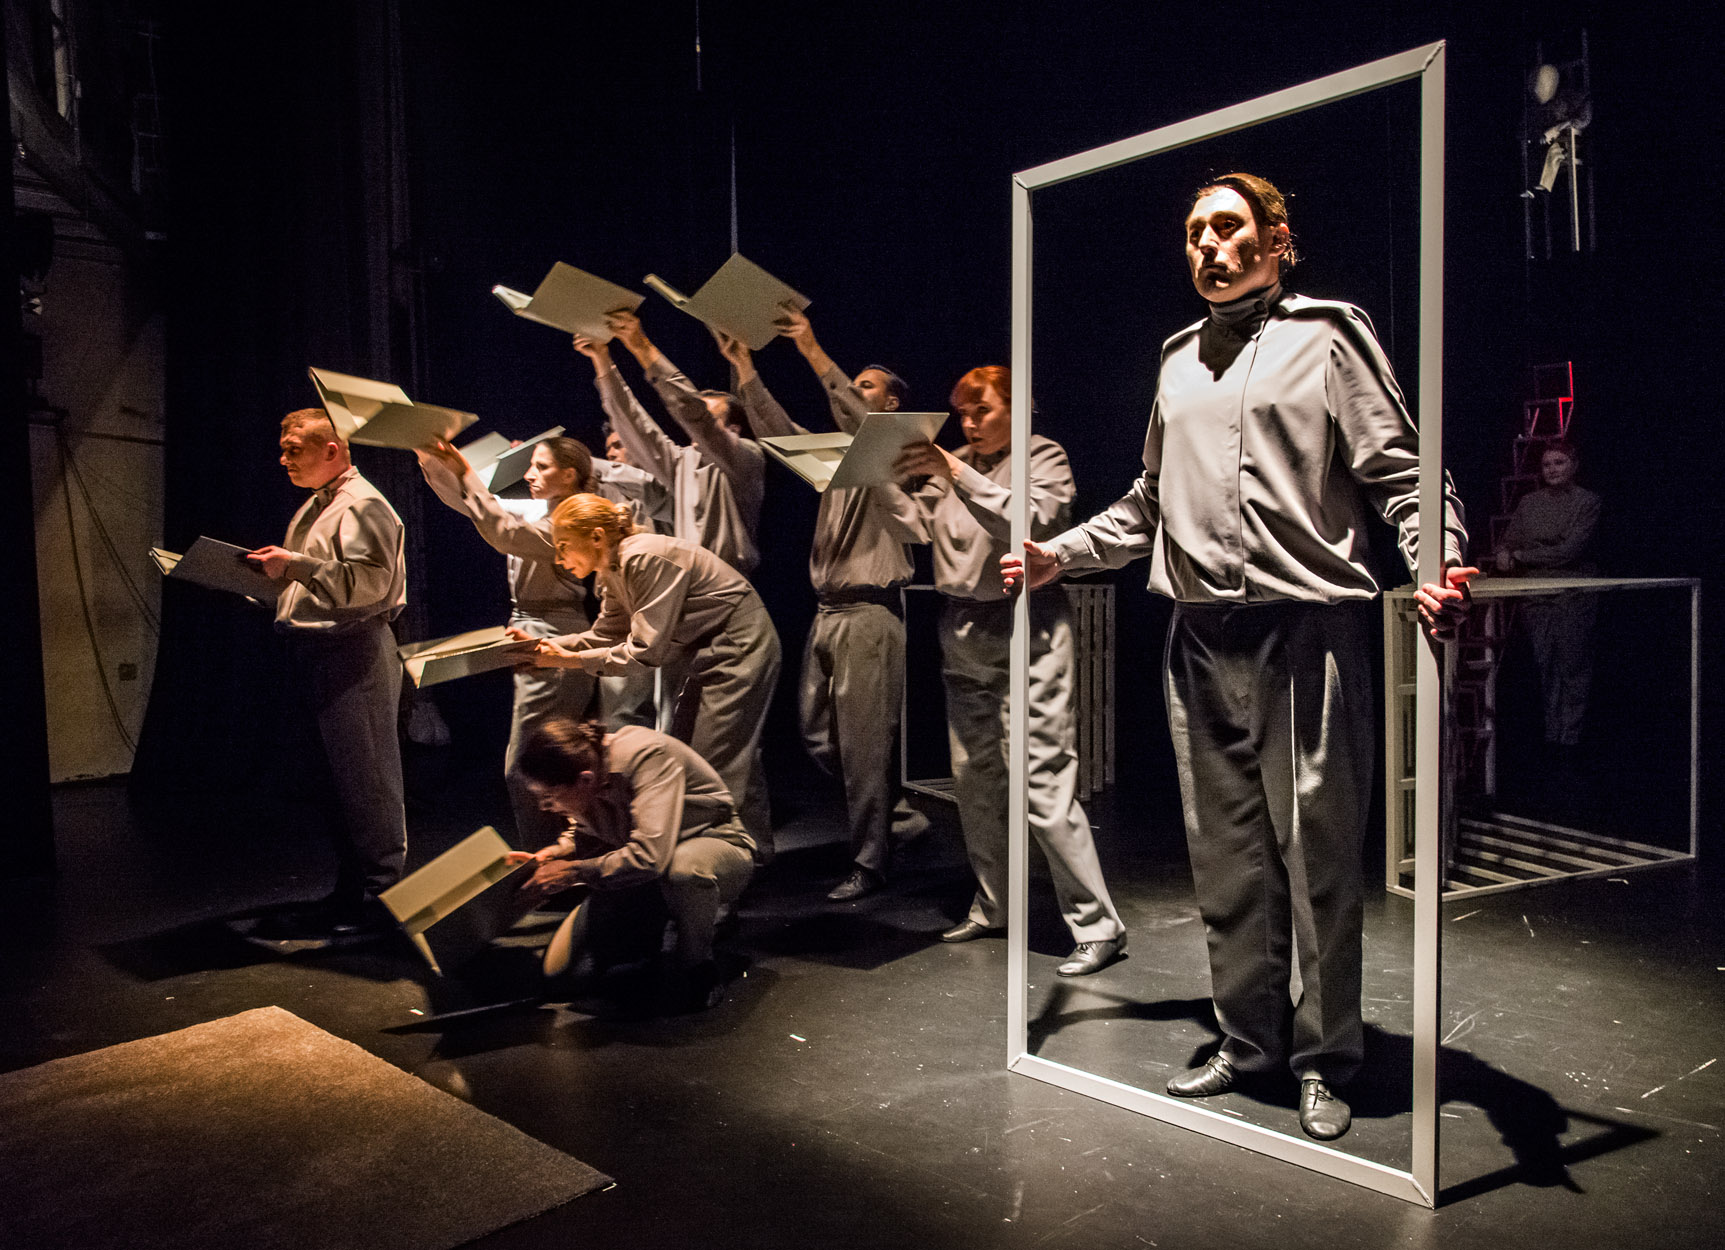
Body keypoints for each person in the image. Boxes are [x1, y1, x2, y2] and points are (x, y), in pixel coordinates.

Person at [1004, 173, 1473, 1140]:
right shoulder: (1177, 357)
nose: (1208, 247)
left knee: (1316, 860)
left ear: (1277, 238)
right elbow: (1148, 500)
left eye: (1226, 227)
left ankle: (1324, 1057)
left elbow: (1402, 471)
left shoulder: (1328, 334)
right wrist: (1061, 554)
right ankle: (1249, 1040)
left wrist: (1437, 561)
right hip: (1196, 637)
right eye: (1193, 234)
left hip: (1306, 630)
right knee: (1226, 863)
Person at [893, 366, 1128, 977]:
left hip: (1028, 623)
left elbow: (1031, 524)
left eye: (983, 411)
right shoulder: (953, 466)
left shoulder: (1041, 456)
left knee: (1043, 779)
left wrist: (953, 470)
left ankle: (1098, 926)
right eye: (964, 414)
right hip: (962, 627)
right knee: (974, 780)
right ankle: (995, 904)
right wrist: (874, 483)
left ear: (1017, 411)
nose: (970, 424)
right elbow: (918, 528)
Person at [714, 312, 928, 901]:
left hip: (870, 612)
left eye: (867, 386)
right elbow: (778, 431)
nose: (854, 391)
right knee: (818, 737)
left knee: (864, 748)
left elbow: (854, 415)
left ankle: (870, 861)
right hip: (828, 611)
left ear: (890, 405)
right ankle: (897, 817)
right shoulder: (838, 460)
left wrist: (809, 346)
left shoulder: (899, 451)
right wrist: (745, 368)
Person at [525, 494, 781, 857]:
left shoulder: (642, 557)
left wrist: (568, 660)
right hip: (706, 652)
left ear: (596, 537)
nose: (558, 557)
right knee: (709, 753)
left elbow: (646, 652)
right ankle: (753, 854)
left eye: (564, 545)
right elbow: (606, 635)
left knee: (715, 759)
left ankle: (723, 865)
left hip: (738, 646)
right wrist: (542, 649)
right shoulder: (612, 568)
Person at [247, 407, 408, 934]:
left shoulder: (363, 505)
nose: (284, 459)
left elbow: (370, 584)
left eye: (294, 449)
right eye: (283, 449)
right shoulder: (318, 505)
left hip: (353, 650)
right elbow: (313, 583)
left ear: (332, 450)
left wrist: (294, 565)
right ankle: (352, 888)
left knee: (368, 780)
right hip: (318, 650)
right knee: (336, 781)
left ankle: (383, 898)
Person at [415, 435, 598, 845]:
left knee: (530, 765)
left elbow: (503, 533)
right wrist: (428, 456)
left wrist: (465, 471)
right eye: (530, 465)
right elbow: (472, 504)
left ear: (570, 475)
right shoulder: (539, 509)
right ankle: (561, 852)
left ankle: (554, 854)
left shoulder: (572, 520)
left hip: (557, 629)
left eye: (541, 467)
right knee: (542, 762)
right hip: (532, 625)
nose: (529, 474)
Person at [510, 716, 756, 1011]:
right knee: (564, 977)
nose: (545, 806)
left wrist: (572, 872)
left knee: (682, 870)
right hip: (642, 876)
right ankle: (648, 940)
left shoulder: (647, 757)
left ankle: (697, 966)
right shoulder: (585, 772)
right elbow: (589, 828)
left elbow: (649, 858)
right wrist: (557, 853)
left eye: (550, 796)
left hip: (713, 847)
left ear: (585, 780)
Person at [572, 311, 764, 573]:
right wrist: (602, 360)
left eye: (711, 418)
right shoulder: (683, 462)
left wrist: (642, 347)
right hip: (687, 583)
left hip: (727, 581)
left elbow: (691, 411)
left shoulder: (747, 458)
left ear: (733, 429)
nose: (695, 428)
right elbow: (634, 424)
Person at [1494, 441, 1601, 747]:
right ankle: (1553, 735)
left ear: (1574, 465)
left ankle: (1572, 737)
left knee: (1573, 665)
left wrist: (1523, 556)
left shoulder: (1587, 502)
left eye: (1559, 462)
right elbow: (1509, 541)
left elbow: (1569, 551)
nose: (1552, 469)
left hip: (1573, 592)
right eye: (1546, 465)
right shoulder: (1529, 503)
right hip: (1536, 592)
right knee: (1545, 664)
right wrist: (1504, 553)